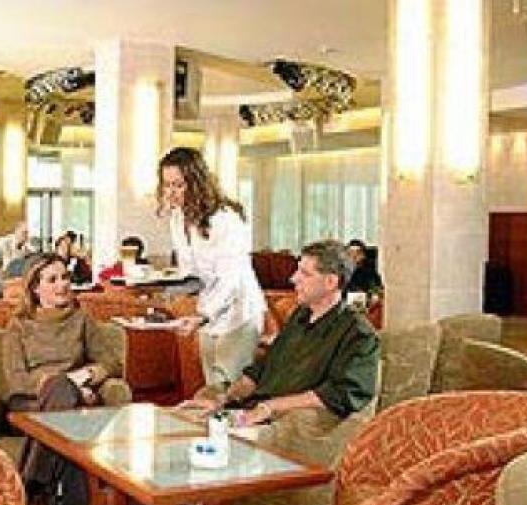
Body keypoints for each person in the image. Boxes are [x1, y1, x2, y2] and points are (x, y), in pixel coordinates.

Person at [181, 239, 379, 427]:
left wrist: (270, 407)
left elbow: (340, 394)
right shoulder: (300, 316)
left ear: (330, 282)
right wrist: (223, 400)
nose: (293, 279)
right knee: (189, 419)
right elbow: (262, 370)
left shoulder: (357, 332)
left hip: (284, 420)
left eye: (305, 274)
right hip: (252, 409)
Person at [3, 253, 123, 505]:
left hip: (73, 403)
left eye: (65, 277)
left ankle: (35, 480)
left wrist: (84, 378)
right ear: (36, 288)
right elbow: (17, 380)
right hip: (30, 403)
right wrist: (61, 384)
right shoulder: (18, 325)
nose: (63, 285)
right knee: (61, 392)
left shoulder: (82, 320)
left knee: (71, 435)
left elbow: (111, 363)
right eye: (53, 279)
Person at [157, 146, 266, 387]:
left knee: (226, 388)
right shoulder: (178, 218)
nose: (171, 193)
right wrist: (162, 290)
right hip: (208, 313)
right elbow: (192, 274)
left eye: (178, 185)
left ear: (196, 184)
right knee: (212, 388)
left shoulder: (225, 218)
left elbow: (230, 277)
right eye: (167, 185)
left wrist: (201, 315)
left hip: (239, 312)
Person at [0, 222, 28, 298]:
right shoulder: (3, 243)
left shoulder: (26, 248)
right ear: (16, 231)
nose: (26, 236)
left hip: (13, 277)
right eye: (24, 232)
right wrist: (5, 277)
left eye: (28, 234)